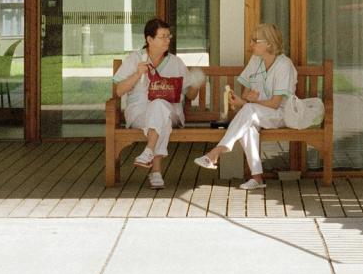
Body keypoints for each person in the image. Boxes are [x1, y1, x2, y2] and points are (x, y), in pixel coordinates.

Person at [194, 22, 321, 190]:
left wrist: (251, 101)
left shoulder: (284, 65)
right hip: (257, 113)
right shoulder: (256, 60)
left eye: (255, 40)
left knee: (249, 111)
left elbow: (276, 104)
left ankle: (217, 152)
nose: (251, 44)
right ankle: (257, 178)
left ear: (269, 43)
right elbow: (247, 94)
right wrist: (242, 101)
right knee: (248, 126)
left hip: (282, 114)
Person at [110, 17, 192, 190]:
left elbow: (190, 92)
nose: (167, 40)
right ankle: (155, 171)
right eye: (163, 36)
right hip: (140, 113)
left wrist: (197, 82)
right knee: (161, 118)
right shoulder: (135, 59)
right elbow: (118, 91)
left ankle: (149, 151)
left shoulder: (175, 62)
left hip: (172, 110)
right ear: (149, 39)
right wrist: (136, 75)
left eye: (169, 36)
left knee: (160, 104)